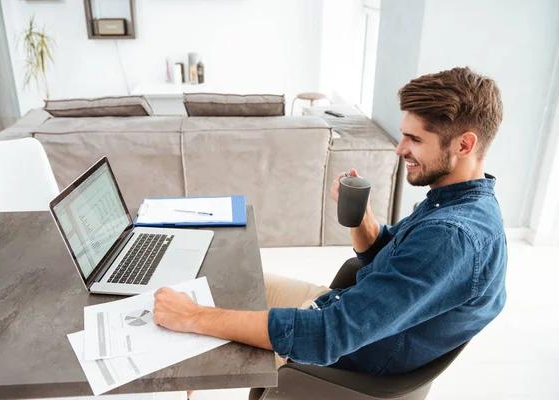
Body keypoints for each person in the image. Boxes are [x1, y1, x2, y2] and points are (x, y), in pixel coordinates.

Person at [153, 67, 507, 380]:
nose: (400, 149)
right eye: (404, 135)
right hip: (341, 309)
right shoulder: (452, 200)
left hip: (336, 359)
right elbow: (385, 258)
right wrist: (361, 217)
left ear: (464, 144)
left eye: (415, 139)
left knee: (183, 327)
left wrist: (194, 317)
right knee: (219, 282)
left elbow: (327, 338)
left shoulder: (452, 237)